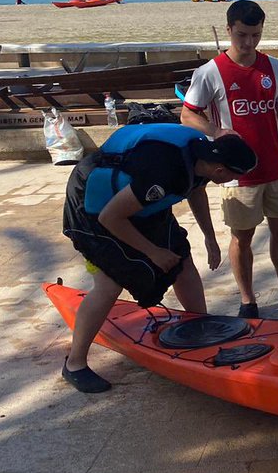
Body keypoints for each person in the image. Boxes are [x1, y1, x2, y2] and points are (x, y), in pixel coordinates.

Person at [61, 124, 257, 392]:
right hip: (94, 206)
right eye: (235, 176)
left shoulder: (203, 157)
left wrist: (209, 238)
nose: (235, 181)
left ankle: (200, 330)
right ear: (220, 170)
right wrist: (152, 251)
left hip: (135, 199)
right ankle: (74, 364)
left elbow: (195, 188)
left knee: (182, 262)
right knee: (109, 285)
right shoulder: (165, 173)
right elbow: (110, 217)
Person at [182, 0, 278, 320]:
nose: (249, 43)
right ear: (229, 30)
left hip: (277, 167)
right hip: (237, 175)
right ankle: (248, 301)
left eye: (256, 35)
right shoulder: (210, 73)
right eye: (242, 35)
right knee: (242, 237)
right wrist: (215, 131)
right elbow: (187, 115)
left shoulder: (274, 68)